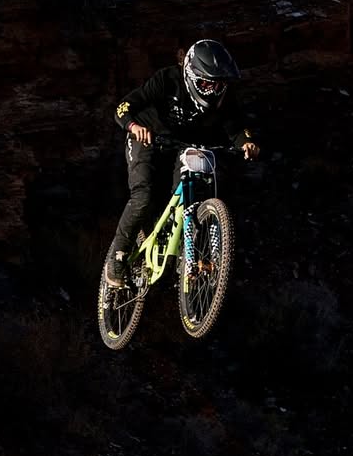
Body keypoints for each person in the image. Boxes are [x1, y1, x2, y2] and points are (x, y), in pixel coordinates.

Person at [105, 39, 260, 287]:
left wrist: (247, 143)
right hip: (148, 138)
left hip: (186, 146)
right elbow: (123, 108)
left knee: (195, 192)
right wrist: (134, 127)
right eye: (207, 83)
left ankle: (189, 255)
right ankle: (118, 256)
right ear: (190, 73)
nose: (213, 89)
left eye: (219, 83)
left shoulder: (224, 98)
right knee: (143, 196)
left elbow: (236, 127)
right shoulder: (167, 80)